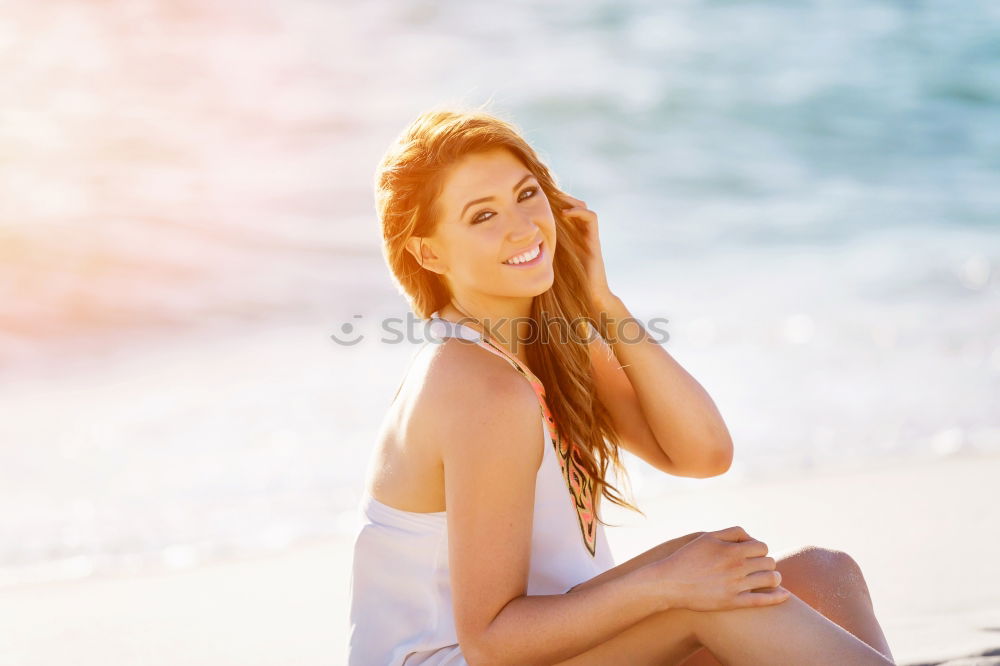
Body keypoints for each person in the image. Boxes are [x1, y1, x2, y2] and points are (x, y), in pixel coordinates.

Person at [347, 104, 896, 665]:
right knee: (702, 588)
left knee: (824, 574)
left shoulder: (550, 348)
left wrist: (604, 304)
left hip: (564, 649)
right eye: (482, 216)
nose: (521, 225)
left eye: (528, 194)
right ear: (428, 252)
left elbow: (704, 453)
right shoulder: (473, 383)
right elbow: (490, 641)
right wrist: (666, 584)